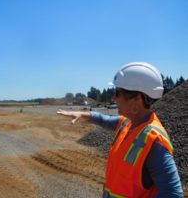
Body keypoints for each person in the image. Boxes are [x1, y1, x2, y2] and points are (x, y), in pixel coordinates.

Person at [57, 62, 183, 198]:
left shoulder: (154, 142)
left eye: (117, 93)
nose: (113, 98)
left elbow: (173, 194)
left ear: (137, 99)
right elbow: (103, 119)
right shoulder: (127, 123)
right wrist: (81, 114)